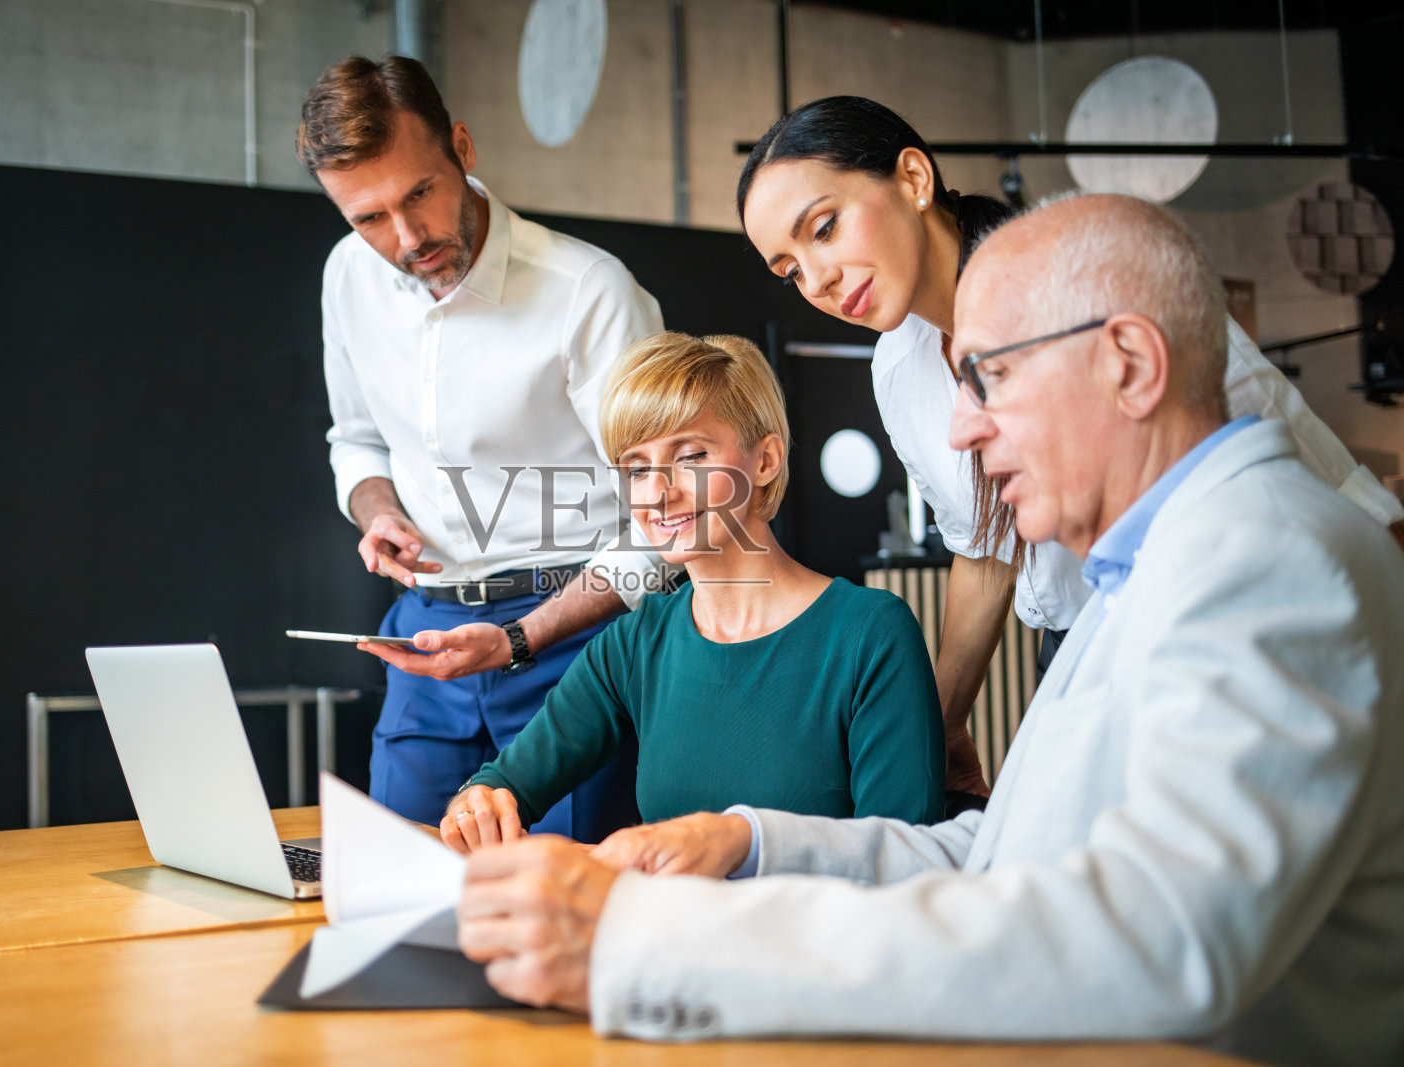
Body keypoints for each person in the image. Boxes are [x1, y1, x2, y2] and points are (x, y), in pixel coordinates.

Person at [454, 195, 1404, 1067]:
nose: (960, 431)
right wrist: (740, 837)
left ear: (1130, 363)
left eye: (986, 376)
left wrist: (652, 942)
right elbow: (999, 854)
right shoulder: (1151, 571)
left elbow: (1156, 941)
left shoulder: (1266, 561)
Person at [735, 96, 1404, 809]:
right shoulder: (895, 369)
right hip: (1074, 648)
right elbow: (987, 545)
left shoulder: (1085, 277)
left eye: (825, 228)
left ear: (913, 177)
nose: (818, 279)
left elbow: (1280, 451)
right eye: (789, 270)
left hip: (1229, 612)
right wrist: (939, 725)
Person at [295, 56, 667, 841]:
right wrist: (380, 511)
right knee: (398, 891)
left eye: (419, 194)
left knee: (564, 918)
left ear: (462, 147)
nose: (405, 239)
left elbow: (664, 523)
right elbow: (356, 440)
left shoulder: (590, 292)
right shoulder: (347, 278)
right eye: (366, 218)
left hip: (578, 644)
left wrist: (522, 638)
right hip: (427, 636)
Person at [440, 332, 945, 853]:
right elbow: (502, 784)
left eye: (691, 456)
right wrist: (475, 805)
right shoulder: (635, 644)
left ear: (766, 459)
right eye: (637, 469)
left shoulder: (870, 634)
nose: (660, 492)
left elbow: (905, 863)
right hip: (669, 931)